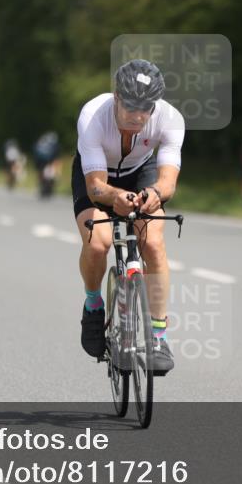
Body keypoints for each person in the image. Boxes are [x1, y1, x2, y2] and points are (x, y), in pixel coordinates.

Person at [73, 59, 184, 373]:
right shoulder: (93, 116)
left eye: (146, 107)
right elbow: (95, 186)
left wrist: (154, 195)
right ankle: (93, 304)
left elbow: (167, 181)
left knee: (154, 244)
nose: (138, 115)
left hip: (140, 173)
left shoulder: (170, 119)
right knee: (98, 242)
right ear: (116, 97)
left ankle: (159, 336)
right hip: (97, 176)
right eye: (131, 106)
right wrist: (114, 196)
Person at [34, 131, 60, 198]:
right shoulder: (54, 145)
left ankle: (42, 186)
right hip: (47, 161)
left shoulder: (41, 143)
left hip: (40, 161)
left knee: (41, 173)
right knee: (50, 175)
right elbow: (56, 157)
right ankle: (46, 187)